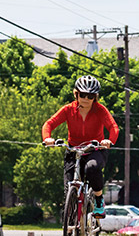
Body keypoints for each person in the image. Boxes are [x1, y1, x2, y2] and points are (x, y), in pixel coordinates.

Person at [42, 75, 119, 220]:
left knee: (92, 167)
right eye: (82, 95)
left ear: (95, 97)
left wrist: (109, 140)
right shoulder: (68, 110)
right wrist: (47, 138)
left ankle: (98, 200)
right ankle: (71, 227)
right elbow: (49, 124)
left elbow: (113, 127)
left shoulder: (100, 110)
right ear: (75, 93)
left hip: (95, 150)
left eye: (90, 96)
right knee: (69, 188)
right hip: (73, 151)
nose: (86, 99)